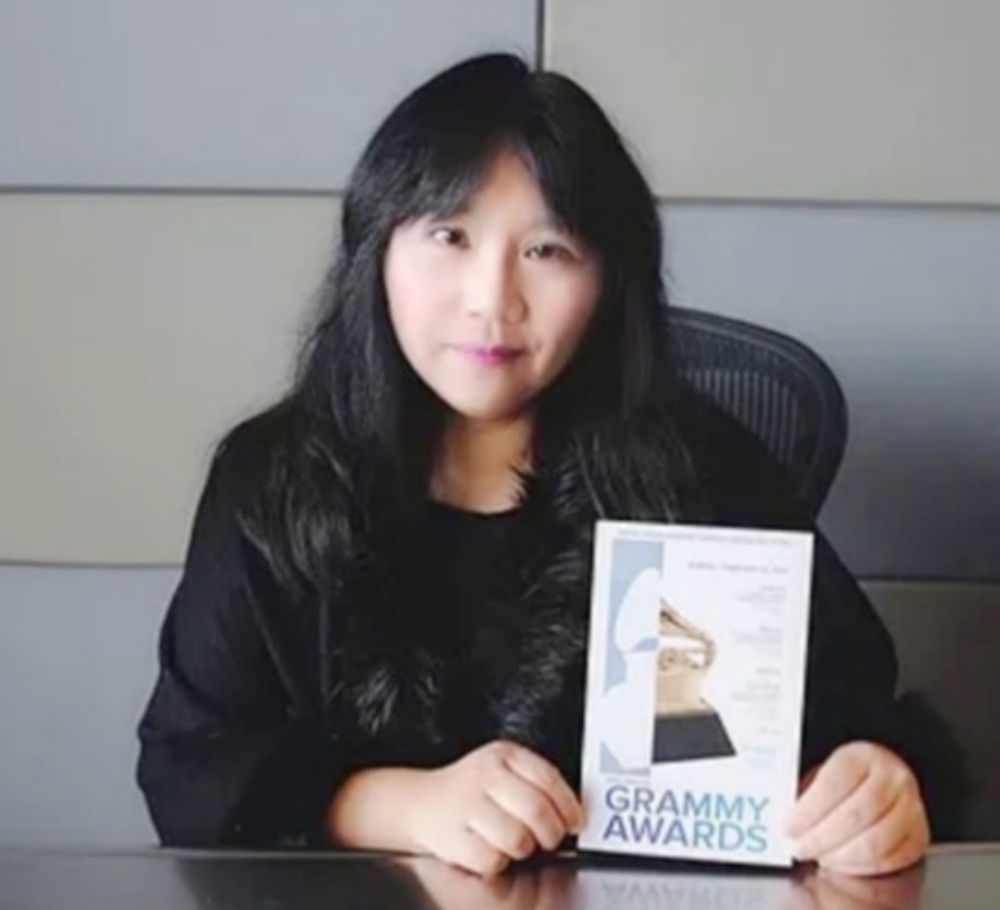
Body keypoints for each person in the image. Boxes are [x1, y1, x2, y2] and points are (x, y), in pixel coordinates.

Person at [136, 53, 931, 877]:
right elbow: (189, 767)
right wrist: (404, 806)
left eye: (547, 250)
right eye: (450, 236)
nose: (493, 300)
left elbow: (859, 718)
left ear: (608, 281)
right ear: (377, 249)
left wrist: (876, 788)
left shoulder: (704, 470)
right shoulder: (275, 481)